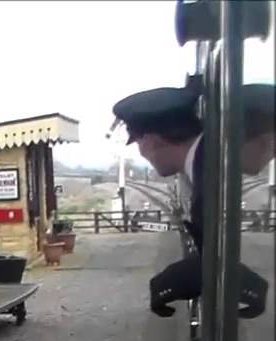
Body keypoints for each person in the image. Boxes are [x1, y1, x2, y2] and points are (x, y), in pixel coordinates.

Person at [110, 82, 273, 318]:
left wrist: (197, 273)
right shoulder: (203, 166)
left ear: (151, 140)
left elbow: (214, 259)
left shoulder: (210, 173)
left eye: (137, 143)